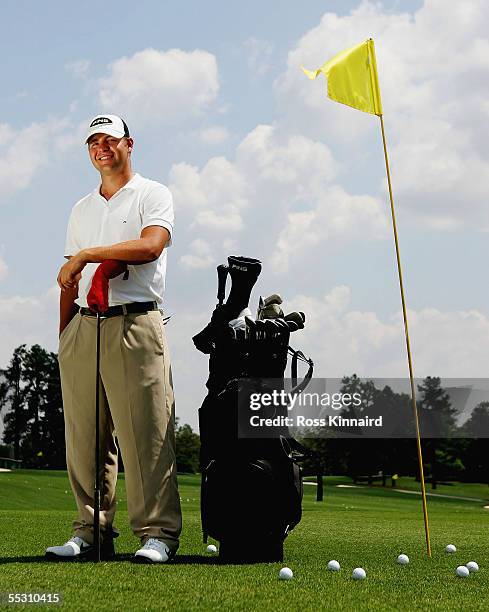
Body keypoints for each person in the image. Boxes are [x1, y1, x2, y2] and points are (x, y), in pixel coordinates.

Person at [46, 114, 182, 563]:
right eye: (93, 142)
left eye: (109, 139)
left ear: (129, 143)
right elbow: (70, 279)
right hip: (85, 327)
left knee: (146, 433)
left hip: (134, 324)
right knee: (85, 437)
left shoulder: (152, 193)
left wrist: (89, 254)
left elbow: (150, 246)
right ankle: (90, 530)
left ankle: (157, 533)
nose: (101, 148)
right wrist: (65, 337)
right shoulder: (81, 208)